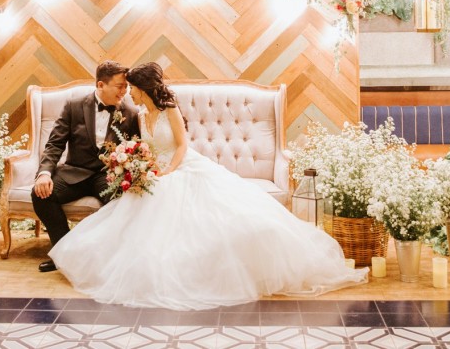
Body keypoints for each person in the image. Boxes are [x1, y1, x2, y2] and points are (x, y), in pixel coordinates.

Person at [49, 62, 367, 309]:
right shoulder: (139, 114)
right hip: (156, 172)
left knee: (215, 217)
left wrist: (168, 171)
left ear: (143, 89)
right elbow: (141, 147)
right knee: (134, 216)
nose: (128, 92)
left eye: (131, 87)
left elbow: (182, 145)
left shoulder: (169, 108)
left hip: (182, 167)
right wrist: (140, 165)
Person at [33, 60, 140, 273]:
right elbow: (55, 143)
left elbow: (136, 148)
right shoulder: (74, 105)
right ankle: (63, 254)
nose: (124, 91)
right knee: (41, 195)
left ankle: (107, 258)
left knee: (124, 201)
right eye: (120, 86)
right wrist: (44, 173)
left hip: (108, 175)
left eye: (126, 86)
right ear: (101, 85)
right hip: (75, 172)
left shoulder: (130, 112)